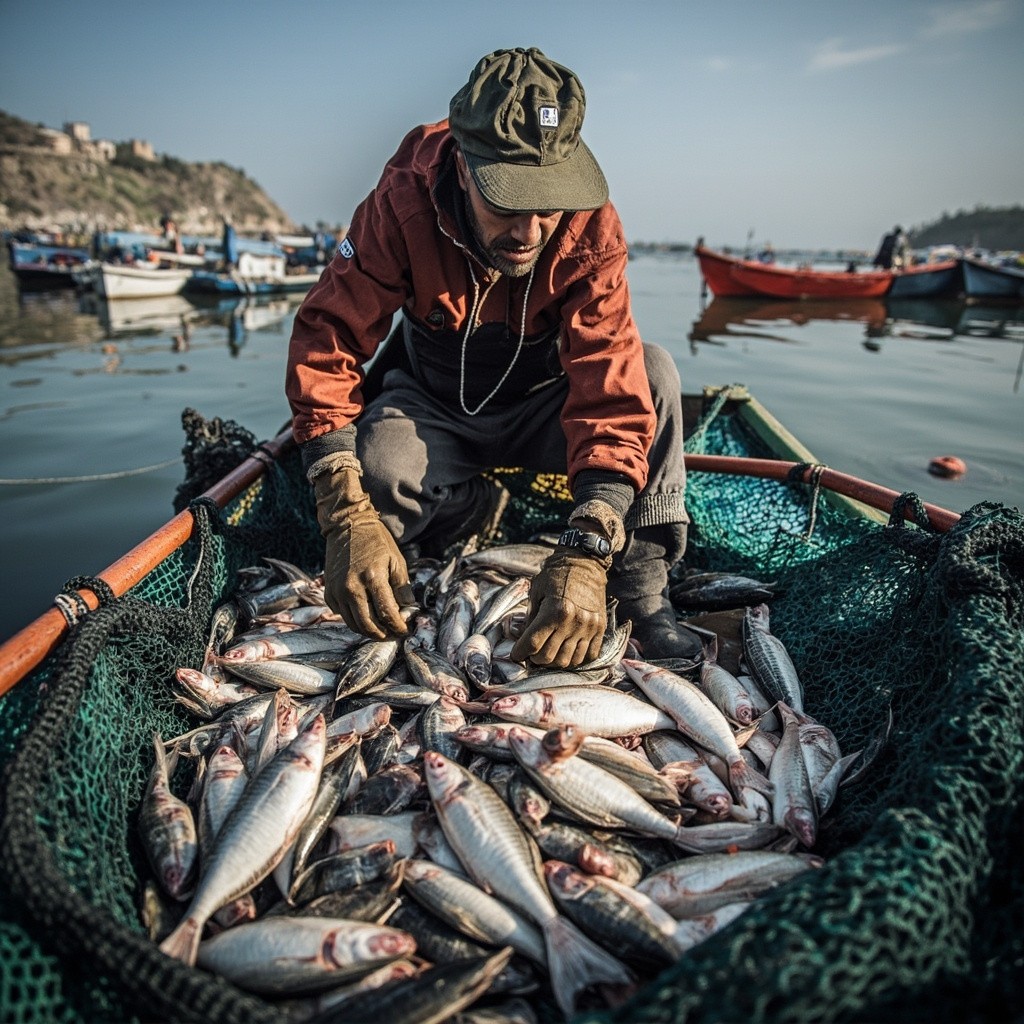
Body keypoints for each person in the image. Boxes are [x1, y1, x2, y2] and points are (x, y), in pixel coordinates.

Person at [286, 47, 698, 669]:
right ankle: (471, 507)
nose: (529, 230)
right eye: (508, 201)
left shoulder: (591, 226)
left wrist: (587, 551)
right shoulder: (402, 201)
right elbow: (328, 338)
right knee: (372, 471)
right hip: (434, 408)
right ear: (463, 165)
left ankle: (641, 588)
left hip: (544, 411)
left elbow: (609, 388)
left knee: (655, 372)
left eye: (547, 203)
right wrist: (344, 512)